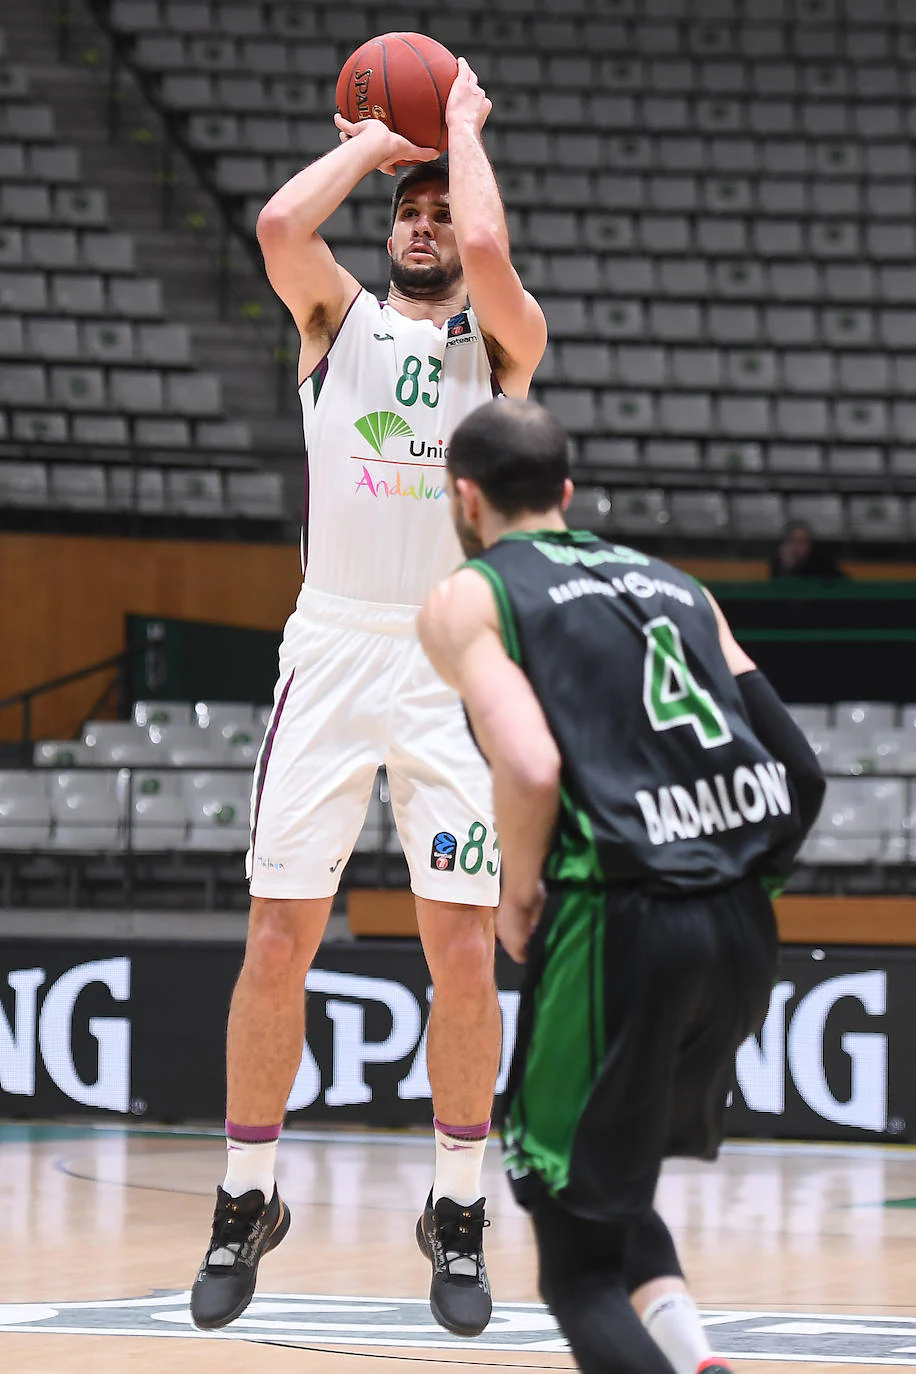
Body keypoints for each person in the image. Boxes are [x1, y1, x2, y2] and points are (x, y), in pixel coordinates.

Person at [189, 64, 547, 1338]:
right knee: (276, 939)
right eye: (409, 207)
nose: (424, 221)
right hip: (334, 650)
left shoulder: (501, 341)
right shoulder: (336, 321)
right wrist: (374, 148)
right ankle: (246, 1195)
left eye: (439, 209)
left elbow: (494, 240)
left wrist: (454, 131)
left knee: (460, 953)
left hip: (448, 661)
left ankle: (456, 1209)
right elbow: (282, 229)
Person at [418, 398, 826, 1374]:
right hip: (736, 925)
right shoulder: (679, 585)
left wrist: (518, 892)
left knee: (573, 1265)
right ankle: (696, 1360)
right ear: (565, 492)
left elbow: (528, 766)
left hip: (617, 921)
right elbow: (801, 774)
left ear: (465, 499)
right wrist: (726, 874)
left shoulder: (469, 597)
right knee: (613, 1173)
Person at [770, 520, 846, 579]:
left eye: (806, 541)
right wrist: (787, 567)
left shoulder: (822, 562)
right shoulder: (779, 562)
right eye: (797, 541)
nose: (802, 546)